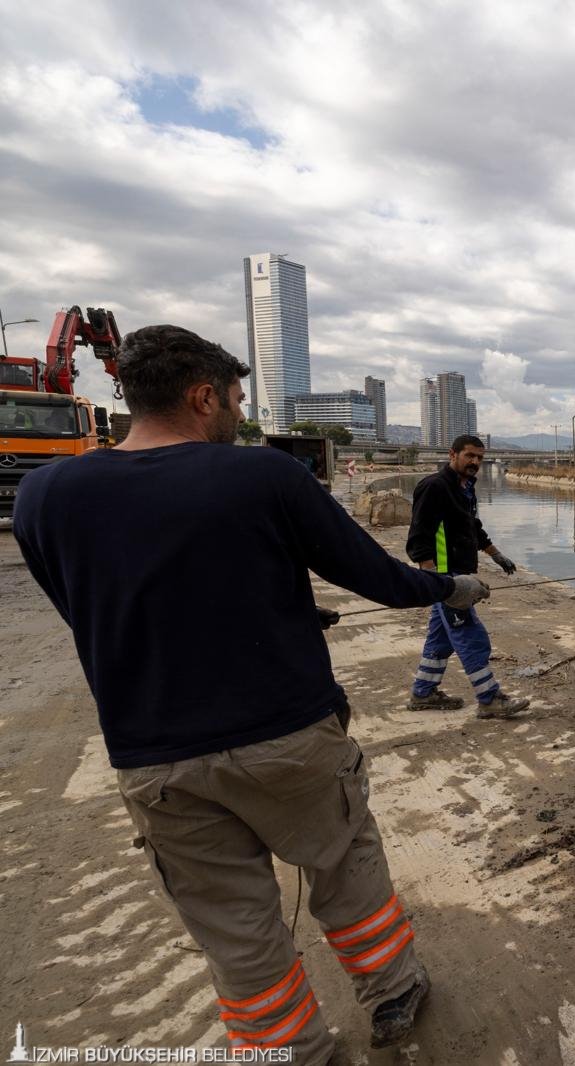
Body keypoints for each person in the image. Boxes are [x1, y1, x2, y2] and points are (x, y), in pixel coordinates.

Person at [13, 324, 492, 1061]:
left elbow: (96, 612)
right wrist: (453, 589)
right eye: (237, 400)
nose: (240, 415)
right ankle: (394, 991)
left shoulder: (46, 495)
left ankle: (290, 1050)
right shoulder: (263, 475)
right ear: (204, 397)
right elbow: (378, 577)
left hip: (155, 760)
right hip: (286, 734)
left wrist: (278, 609)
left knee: (233, 927)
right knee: (345, 867)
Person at [405, 434, 530, 718]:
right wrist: (434, 580)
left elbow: (472, 526)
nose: (475, 462)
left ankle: (423, 693)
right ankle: (489, 699)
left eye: (479, 458)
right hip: (447, 579)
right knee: (470, 634)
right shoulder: (435, 487)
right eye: (470, 456)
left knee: (441, 638)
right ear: (453, 454)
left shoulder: (465, 487)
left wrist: (496, 554)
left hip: (458, 575)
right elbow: (419, 538)